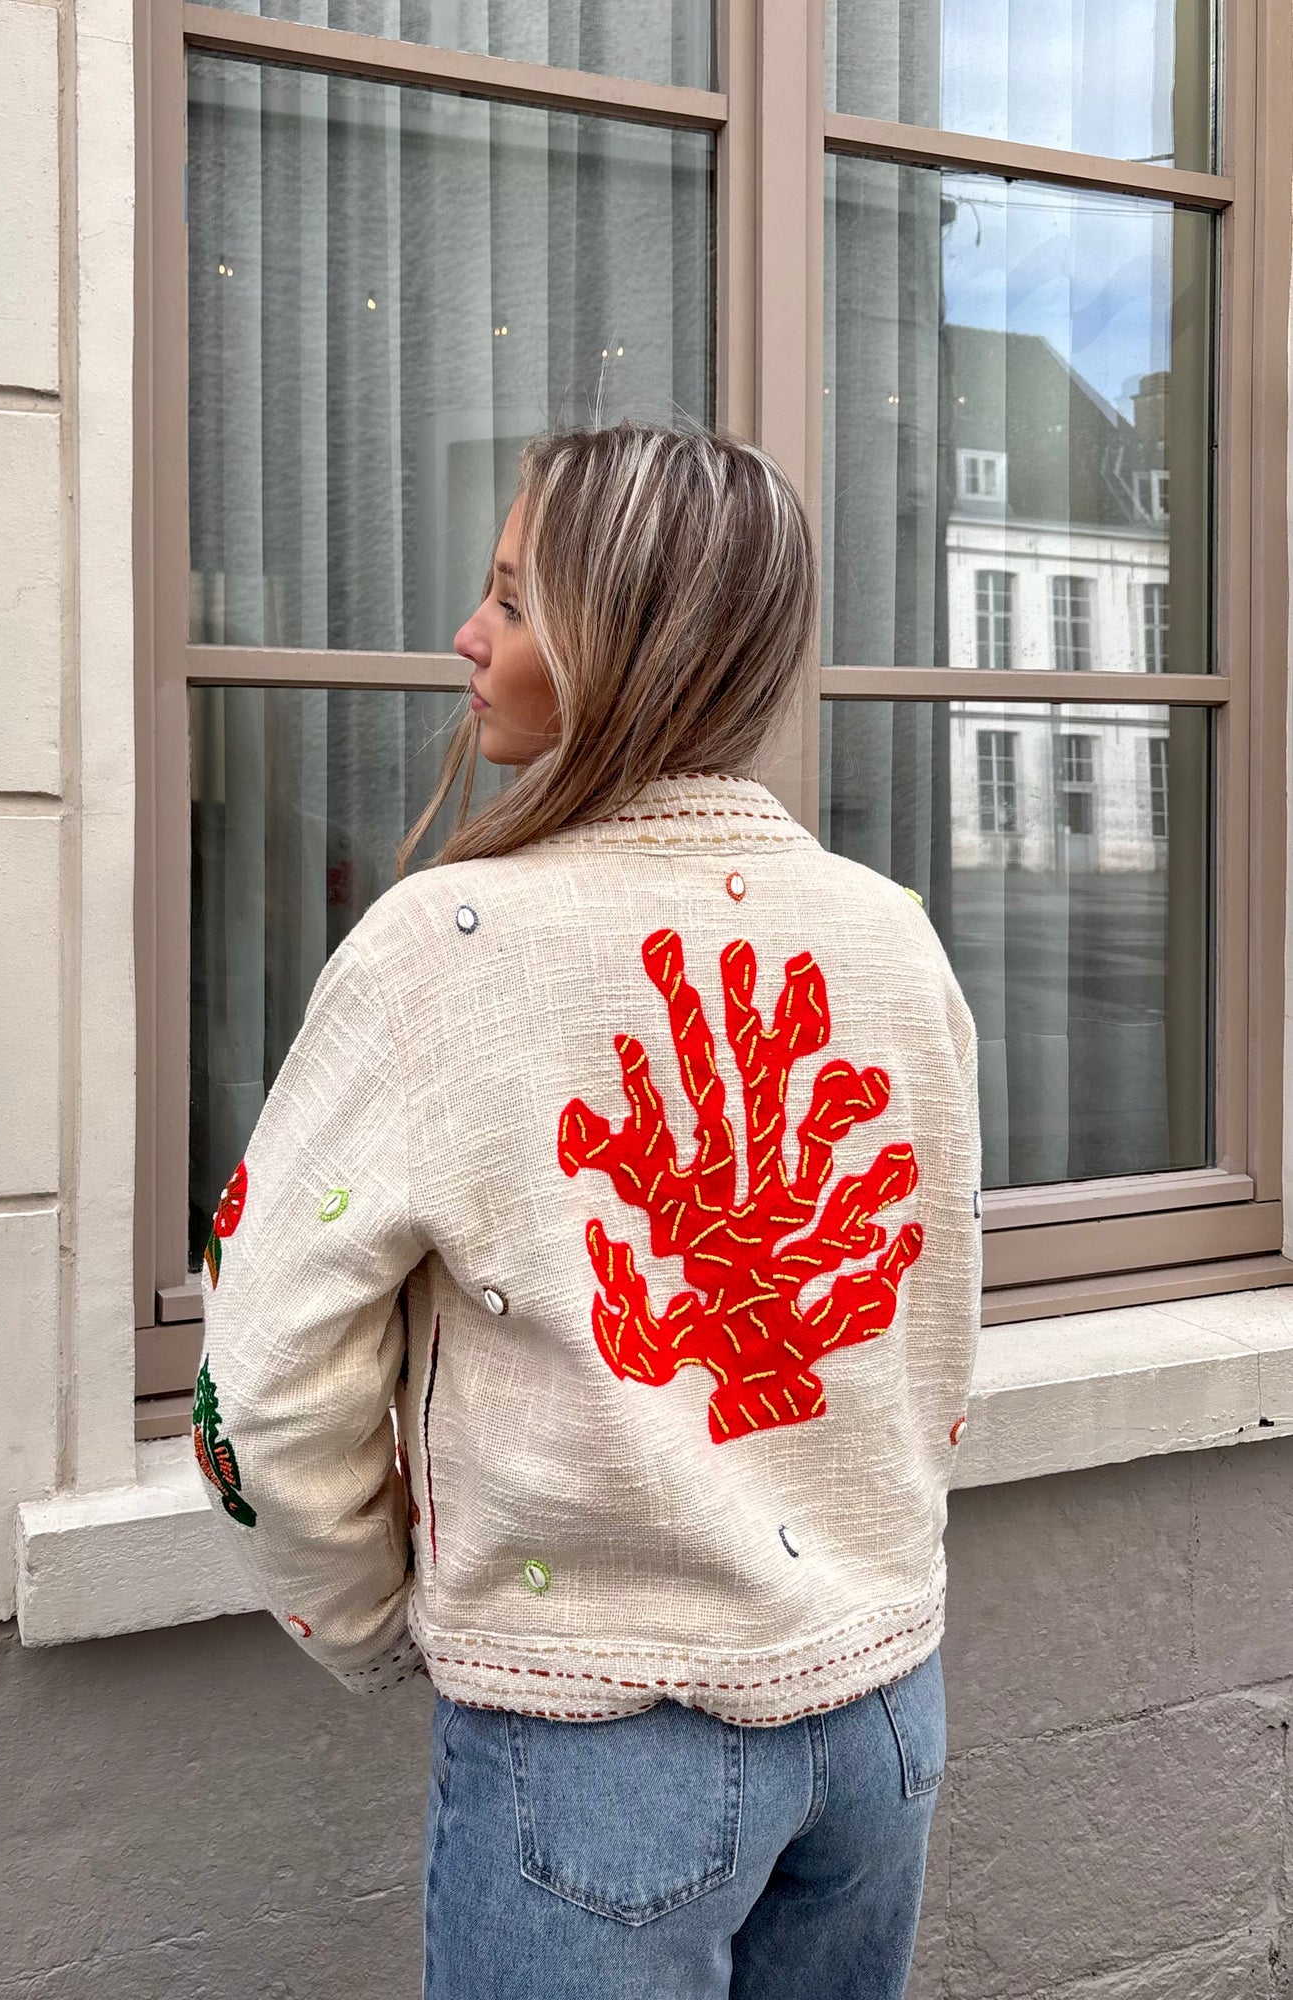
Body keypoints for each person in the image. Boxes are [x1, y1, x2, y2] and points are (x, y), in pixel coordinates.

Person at [194, 422, 982, 1999]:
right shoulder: (892, 937)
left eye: (512, 599)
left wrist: (371, 1620)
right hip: (884, 1713)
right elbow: (935, 1319)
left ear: (627, 644)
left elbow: (265, 1378)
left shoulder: (444, 949)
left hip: (597, 1750)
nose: (466, 636)